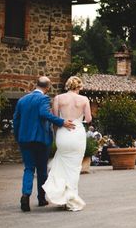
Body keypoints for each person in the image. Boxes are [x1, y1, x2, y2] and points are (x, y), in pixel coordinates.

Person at [13, 76, 75, 212]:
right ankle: (41, 199)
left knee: (28, 168)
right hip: (41, 139)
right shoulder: (44, 99)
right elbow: (44, 114)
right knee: (41, 169)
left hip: (25, 139)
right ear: (47, 87)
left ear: (36, 85)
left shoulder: (22, 100)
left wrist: (18, 136)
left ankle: (25, 194)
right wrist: (62, 122)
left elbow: (16, 120)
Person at [42, 76, 92, 211]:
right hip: (77, 134)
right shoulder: (84, 100)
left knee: (62, 166)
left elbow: (55, 118)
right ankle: (71, 197)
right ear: (79, 87)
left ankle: (63, 198)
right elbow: (88, 119)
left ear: (68, 86)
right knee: (74, 168)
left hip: (63, 133)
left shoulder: (58, 98)